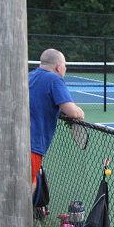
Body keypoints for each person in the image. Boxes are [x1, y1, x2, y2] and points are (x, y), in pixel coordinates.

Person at [29, 49, 85, 191]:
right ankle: (24, 213)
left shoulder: (30, 76)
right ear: (59, 67)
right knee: (28, 184)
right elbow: (72, 111)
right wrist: (79, 111)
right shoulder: (55, 79)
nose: (65, 69)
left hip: (19, 139)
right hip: (33, 143)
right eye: (65, 65)